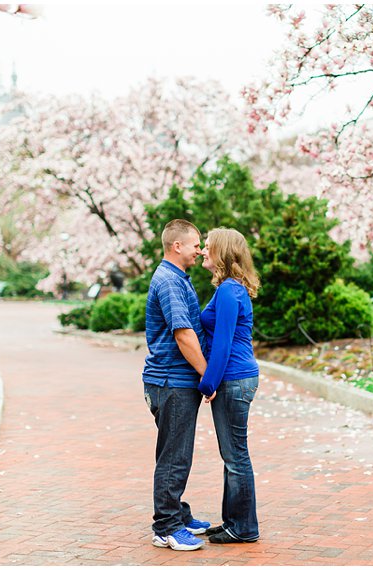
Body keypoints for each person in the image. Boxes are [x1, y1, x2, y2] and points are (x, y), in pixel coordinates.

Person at [142, 219, 211, 551]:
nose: (200, 250)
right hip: (172, 381)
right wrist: (207, 375)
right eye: (196, 244)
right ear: (177, 246)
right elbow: (183, 334)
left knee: (172, 451)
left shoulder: (177, 278)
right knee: (175, 455)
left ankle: (177, 514)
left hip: (172, 381)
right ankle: (166, 527)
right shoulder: (170, 281)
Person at [197, 227, 261, 544]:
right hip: (238, 377)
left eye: (208, 247)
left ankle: (245, 528)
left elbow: (222, 345)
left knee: (236, 456)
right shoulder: (230, 288)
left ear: (221, 251)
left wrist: (208, 384)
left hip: (233, 379)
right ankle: (233, 521)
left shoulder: (227, 291)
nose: (202, 251)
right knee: (232, 455)